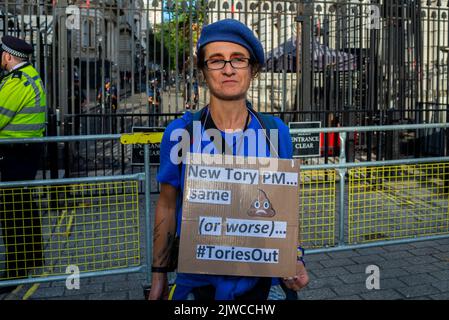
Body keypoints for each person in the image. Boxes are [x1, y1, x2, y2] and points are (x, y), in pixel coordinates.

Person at [148, 19, 309, 300]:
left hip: (264, 285)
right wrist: (158, 273)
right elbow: (166, 203)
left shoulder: (275, 132)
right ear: (203, 71)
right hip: (198, 285)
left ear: (253, 69)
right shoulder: (180, 133)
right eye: (216, 60)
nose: (228, 69)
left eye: (238, 59)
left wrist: (296, 258)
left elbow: (286, 206)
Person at [0, 35, 46, 294]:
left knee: (11, 213)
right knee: (25, 206)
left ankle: (14, 272)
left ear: (8, 56)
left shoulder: (16, 82)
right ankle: (33, 259)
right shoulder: (31, 75)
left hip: (15, 153)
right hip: (26, 152)